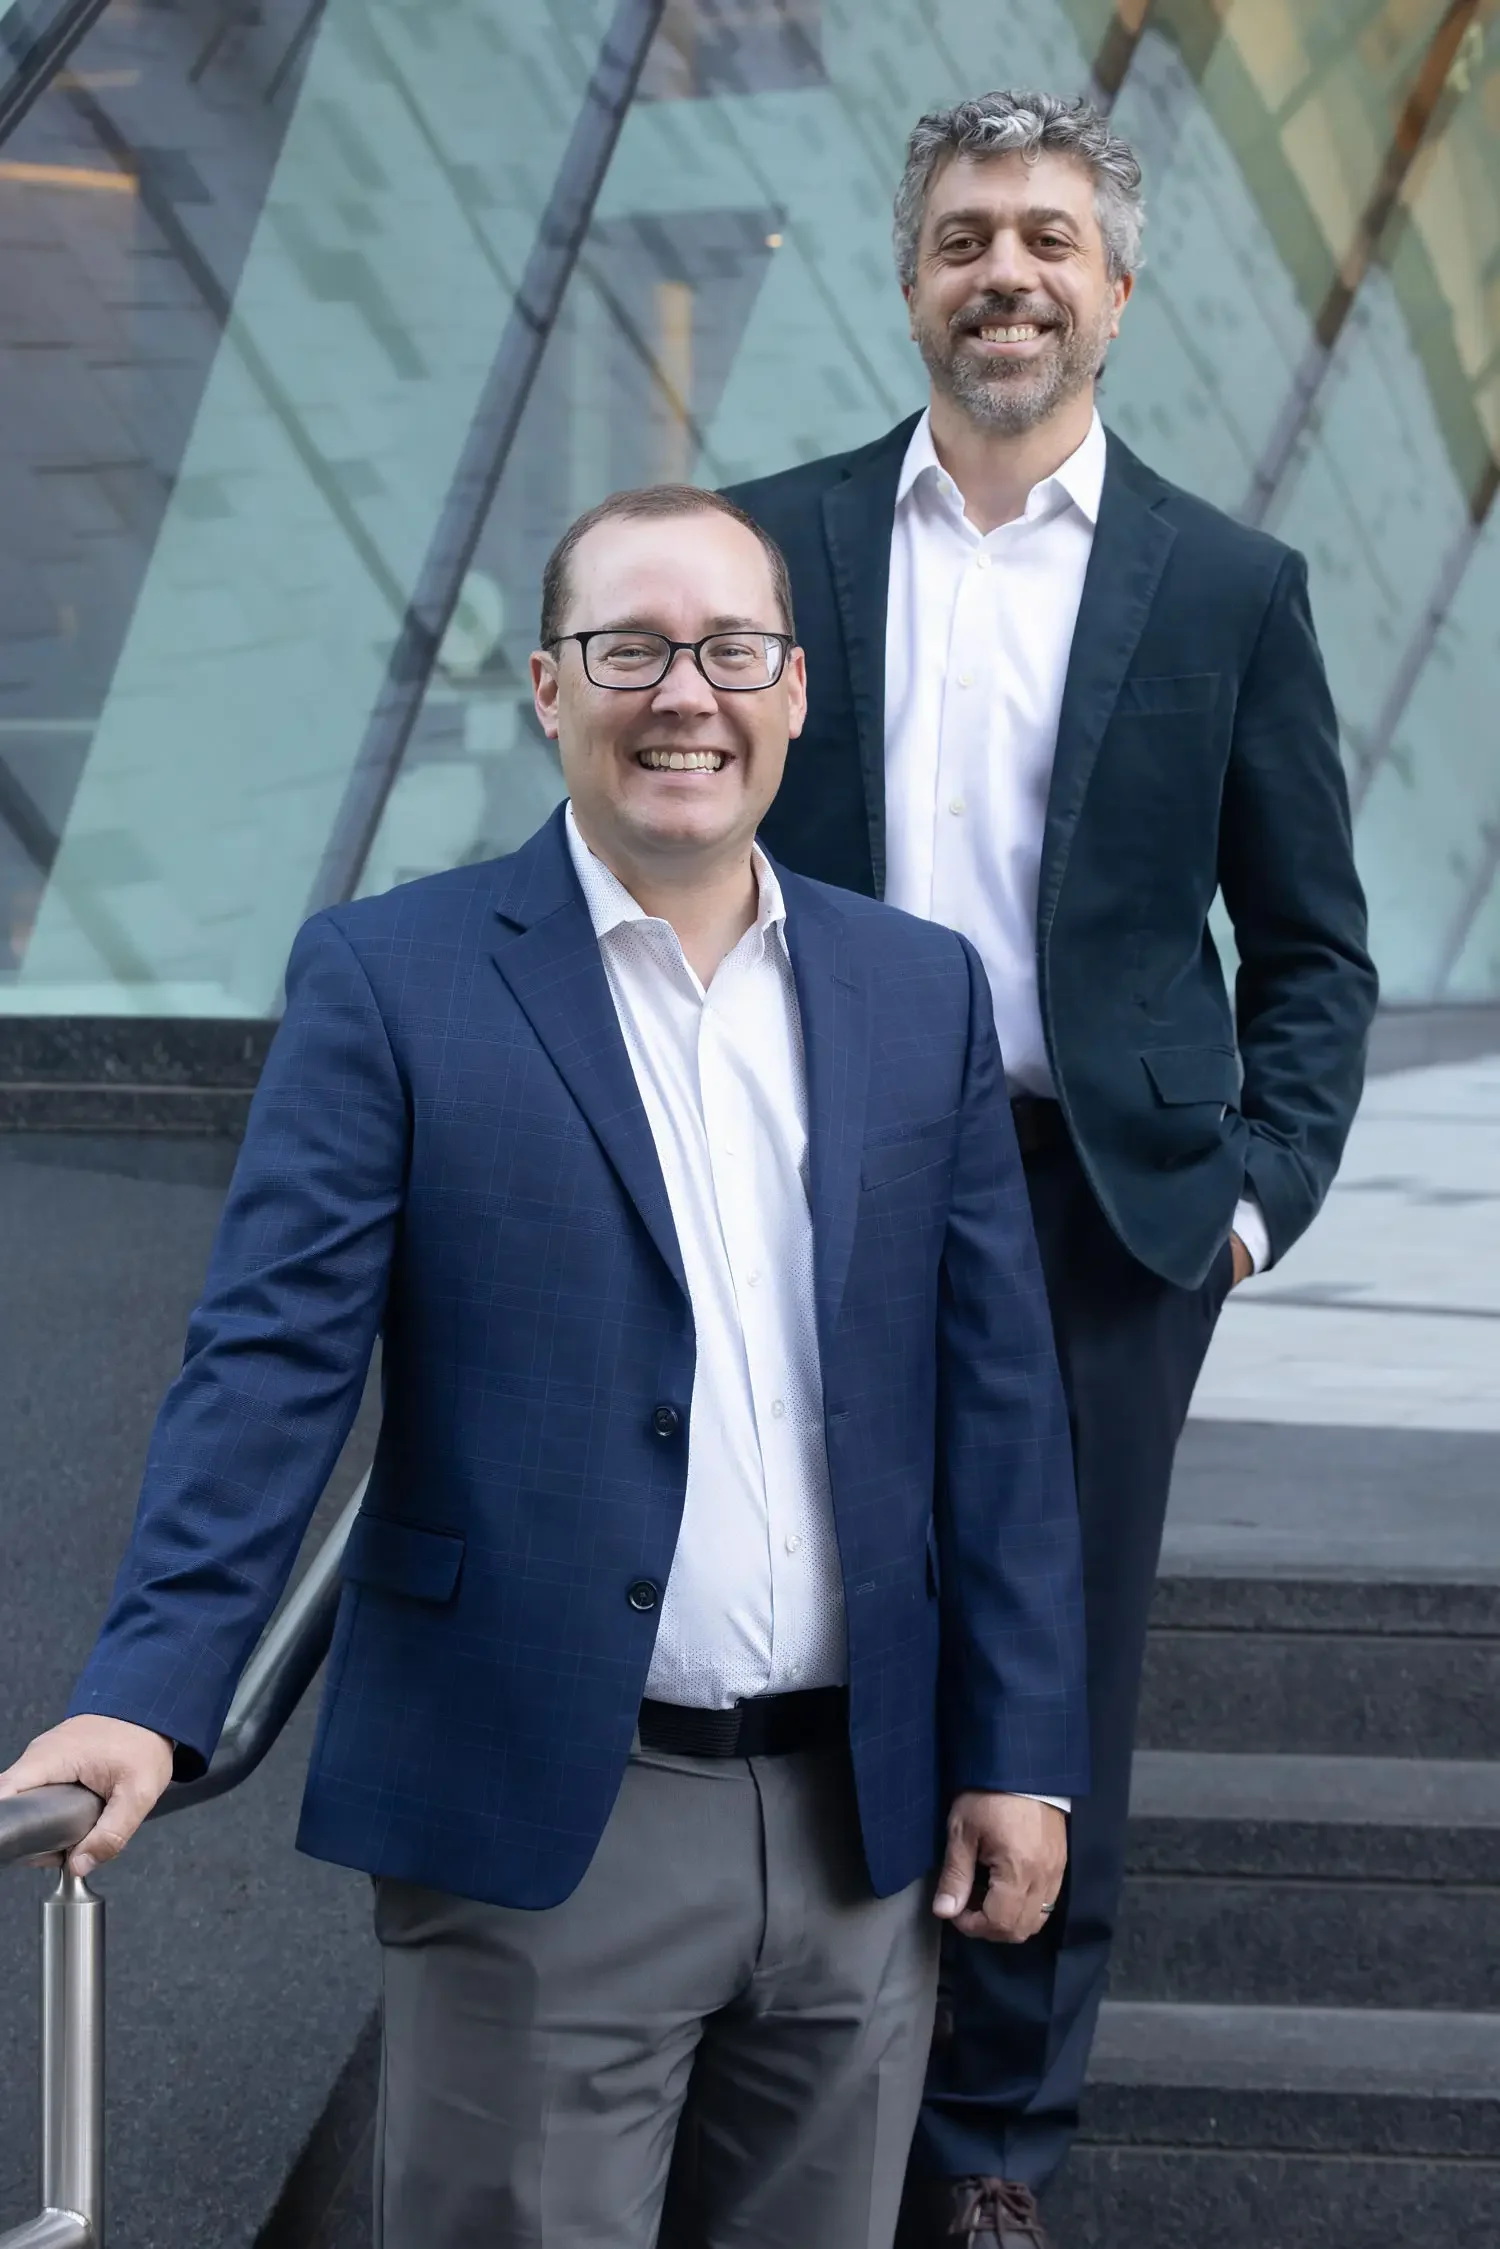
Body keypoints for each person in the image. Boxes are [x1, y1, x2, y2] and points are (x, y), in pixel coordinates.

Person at [0, 487, 1090, 2249]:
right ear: (545, 687)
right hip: (541, 1813)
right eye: (631, 649)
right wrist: (153, 1685)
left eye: (733, 649)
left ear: (795, 689)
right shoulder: (394, 977)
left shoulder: (918, 991)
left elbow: (999, 1401)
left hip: (860, 1822)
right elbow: (269, 1361)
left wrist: (1021, 1742)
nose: (687, 693)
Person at [725, 91, 1378, 2248]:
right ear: (908, 277)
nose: (1005, 272)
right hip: (825, 1168)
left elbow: (1311, 945)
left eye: (1047, 239)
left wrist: (1255, 1188)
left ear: (1116, 285)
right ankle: (795, 2066)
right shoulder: (770, 549)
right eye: (966, 237)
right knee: (802, 1605)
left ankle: (996, 2137)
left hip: (1108, 1207)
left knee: (1057, 1665)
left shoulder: (1230, 583)